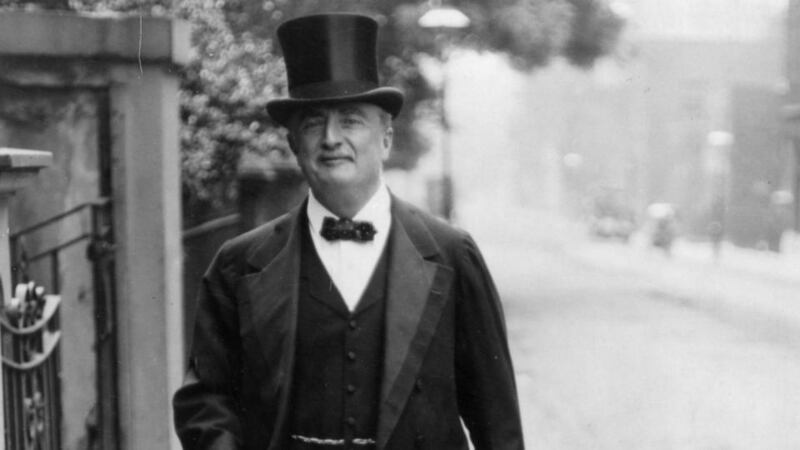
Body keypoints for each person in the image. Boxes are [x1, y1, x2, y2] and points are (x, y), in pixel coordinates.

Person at [173, 13, 524, 450]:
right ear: (294, 144)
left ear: (386, 138)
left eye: (351, 120)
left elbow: (497, 419)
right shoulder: (239, 264)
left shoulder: (451, 254)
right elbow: (206, 399)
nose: (332, 138)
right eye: (314, 122)